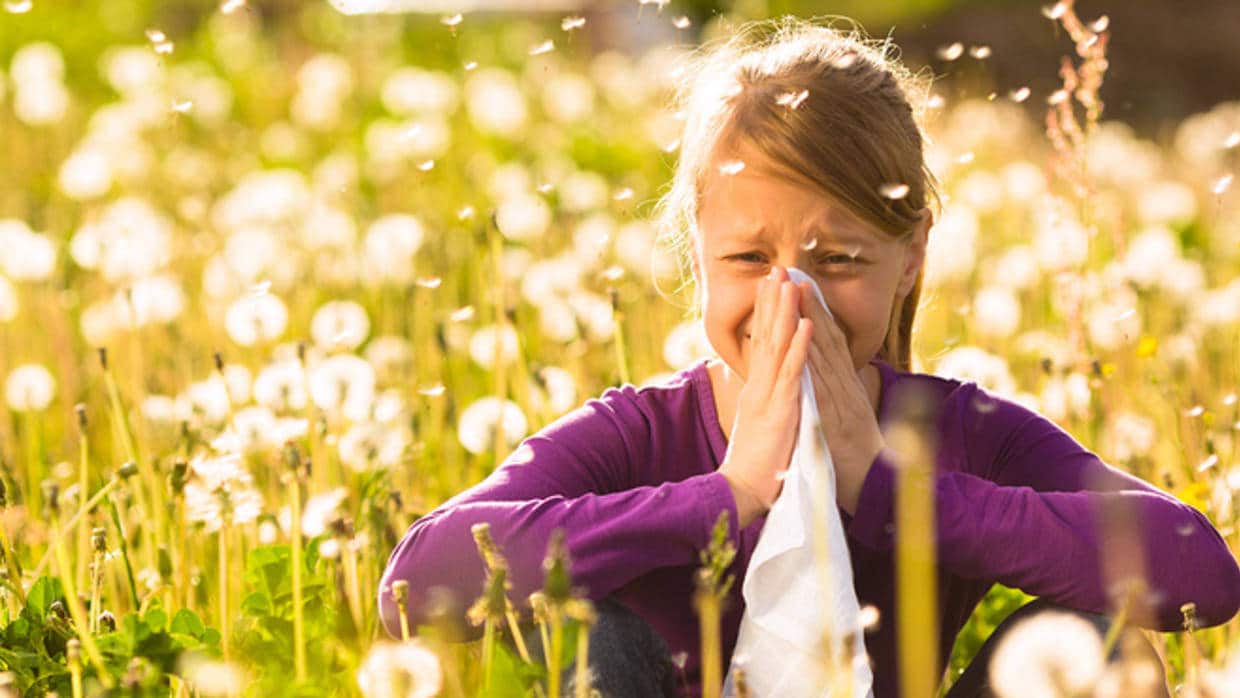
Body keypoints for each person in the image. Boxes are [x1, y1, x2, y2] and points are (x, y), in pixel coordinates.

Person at [379, 18, 1240, 697]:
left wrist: (892, 491)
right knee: (589, 632)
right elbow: (416, 586)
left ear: (910, 258)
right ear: (697, 254)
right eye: (749, 260)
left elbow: (1198, 571)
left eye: (837, 262)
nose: (792, 301)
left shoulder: (957, 430)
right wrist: (728, 496)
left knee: (1106, 648)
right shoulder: (636, 433)